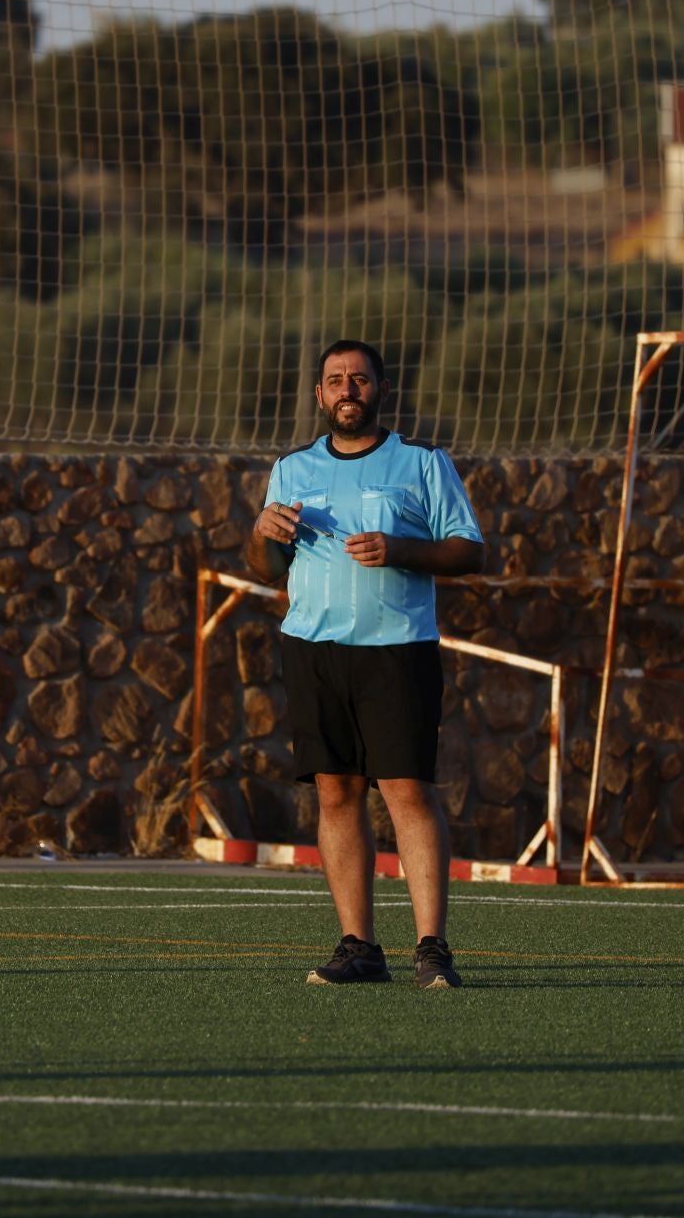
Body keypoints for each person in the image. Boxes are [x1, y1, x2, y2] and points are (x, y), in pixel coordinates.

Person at [245, 338, 484, 990]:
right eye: (335, 380)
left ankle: (432, 948)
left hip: (397, 649)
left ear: (380, 389)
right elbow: (266, 568)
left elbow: (470, 551)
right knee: (336, 792)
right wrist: (261, 534)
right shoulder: (292, 468)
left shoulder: (422, 462)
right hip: (313, 649)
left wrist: (400, 549)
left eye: (359, 379)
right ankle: (360, 947)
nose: (347, 389)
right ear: (319, 394)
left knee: (407, 791)